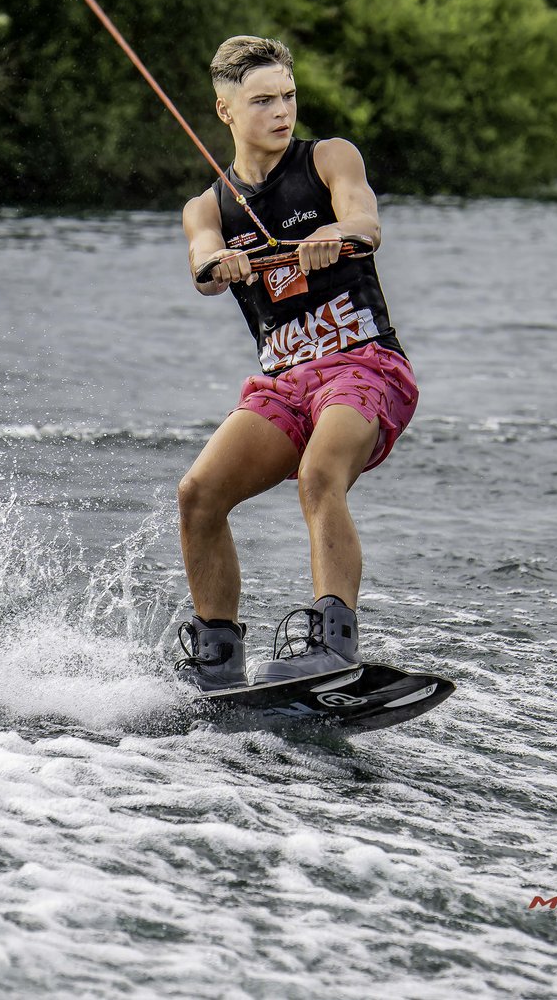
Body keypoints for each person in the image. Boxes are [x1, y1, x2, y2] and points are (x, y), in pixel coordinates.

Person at [173, 35, 419, 692]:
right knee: (199, 495)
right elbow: (200, 262)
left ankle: (333, 639)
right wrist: (216, 263)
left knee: (320, 472)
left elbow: (365, 219)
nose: (282, 111)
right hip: (284, 382)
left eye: (288, 96)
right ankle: (217, 659)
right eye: (262, 101)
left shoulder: (329, 159)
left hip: (363, 363)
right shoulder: (210, 206)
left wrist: (334, 234)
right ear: (225, 111)